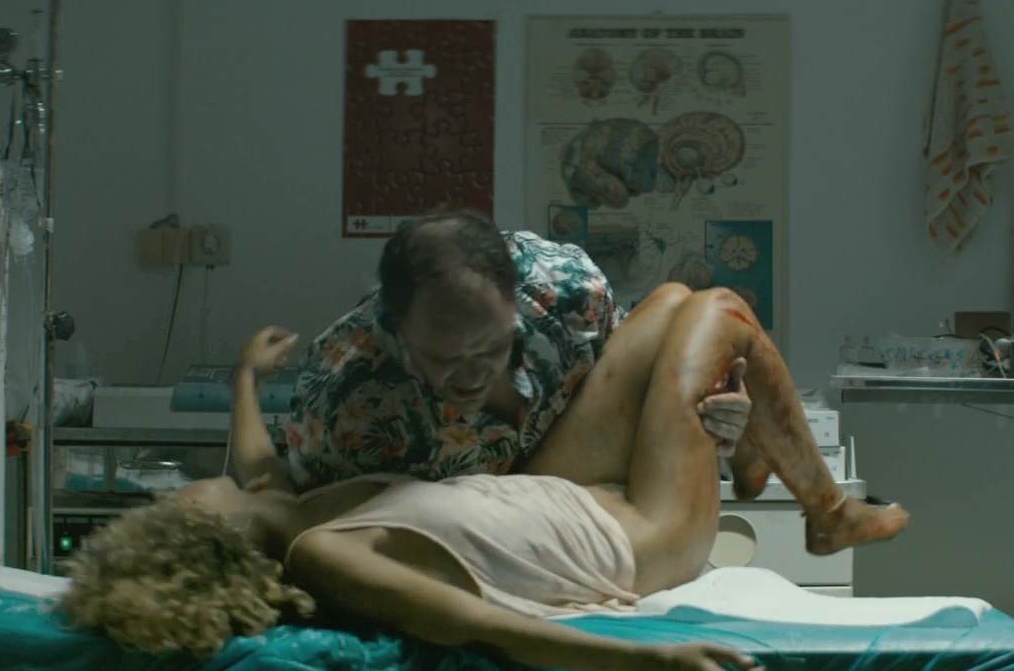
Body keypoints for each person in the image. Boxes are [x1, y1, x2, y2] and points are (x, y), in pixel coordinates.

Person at [58, 287, 911, 671]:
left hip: (556, 488)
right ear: (210, 541)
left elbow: (251, 466)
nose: (179, 494)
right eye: (175, 511)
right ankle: (827, 515)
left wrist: (245, 376)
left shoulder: (289, 505)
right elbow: (477, 626)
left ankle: (750, 448)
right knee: (720, 311)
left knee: (667, 304)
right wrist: (656, 664)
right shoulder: (321, 554)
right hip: (640, 535)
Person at [253, 209, 753, 494]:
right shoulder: (347, 405)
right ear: (400, 335)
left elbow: (638, 385)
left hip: (575, 489)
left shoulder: (569, 294)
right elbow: (293, 519)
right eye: (445, 359)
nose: (474, 374)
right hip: (459, 533)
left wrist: (712, 412)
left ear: (516, 301)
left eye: (493, 346)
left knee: (678, 307)